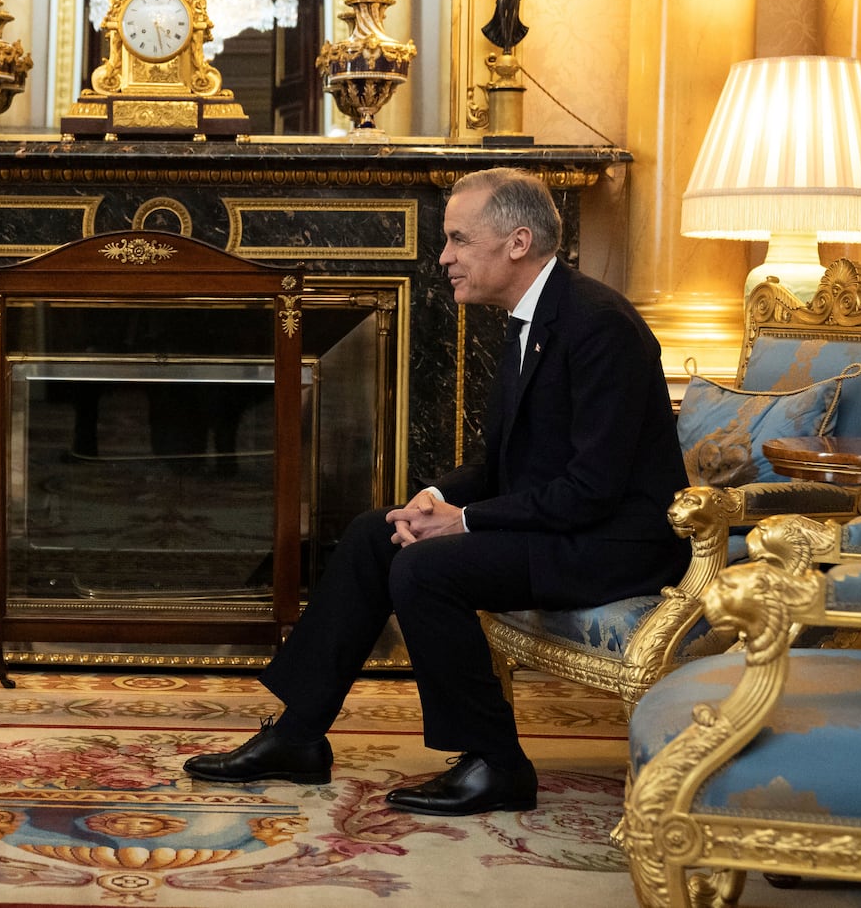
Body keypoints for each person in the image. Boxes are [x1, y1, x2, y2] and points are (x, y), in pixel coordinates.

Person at [183, 167, 690, 816]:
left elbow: (591, 490)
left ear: (516, 241)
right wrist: (429, 500)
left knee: (426, 569)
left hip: (614, 543)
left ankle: (497, 762)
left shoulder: (599, 326)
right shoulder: (529, 319)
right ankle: (298, 733)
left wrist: (466, 521)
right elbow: (498, 464)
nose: (444, 256)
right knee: (377, 534)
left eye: (457, 238)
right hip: (565, 527)